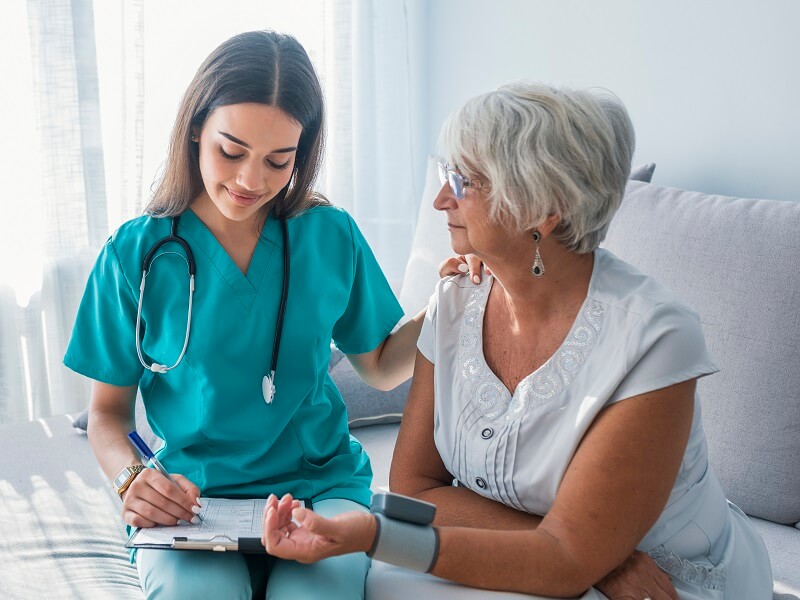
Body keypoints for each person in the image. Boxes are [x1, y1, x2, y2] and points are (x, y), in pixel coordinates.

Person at [260, 82, 774, 599]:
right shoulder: (457, 300)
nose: (441, 199)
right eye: (446, 175)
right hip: (591, 564)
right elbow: (416, 488)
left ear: (543, 210)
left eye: (463, 182)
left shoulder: (654, 338)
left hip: (657, 582)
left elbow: (563, 560)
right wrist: (596, 555)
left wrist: (378, 535)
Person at [63, 30, 426, 599]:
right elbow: (108, 414)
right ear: (195, 132)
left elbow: (380, 367)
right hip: (195, 496)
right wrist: (133, 479)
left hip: (318, 486)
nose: (251, 181)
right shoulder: (135, 255)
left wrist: (450, 305)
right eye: (231, 152)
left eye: (279, 161)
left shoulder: (328, 237)